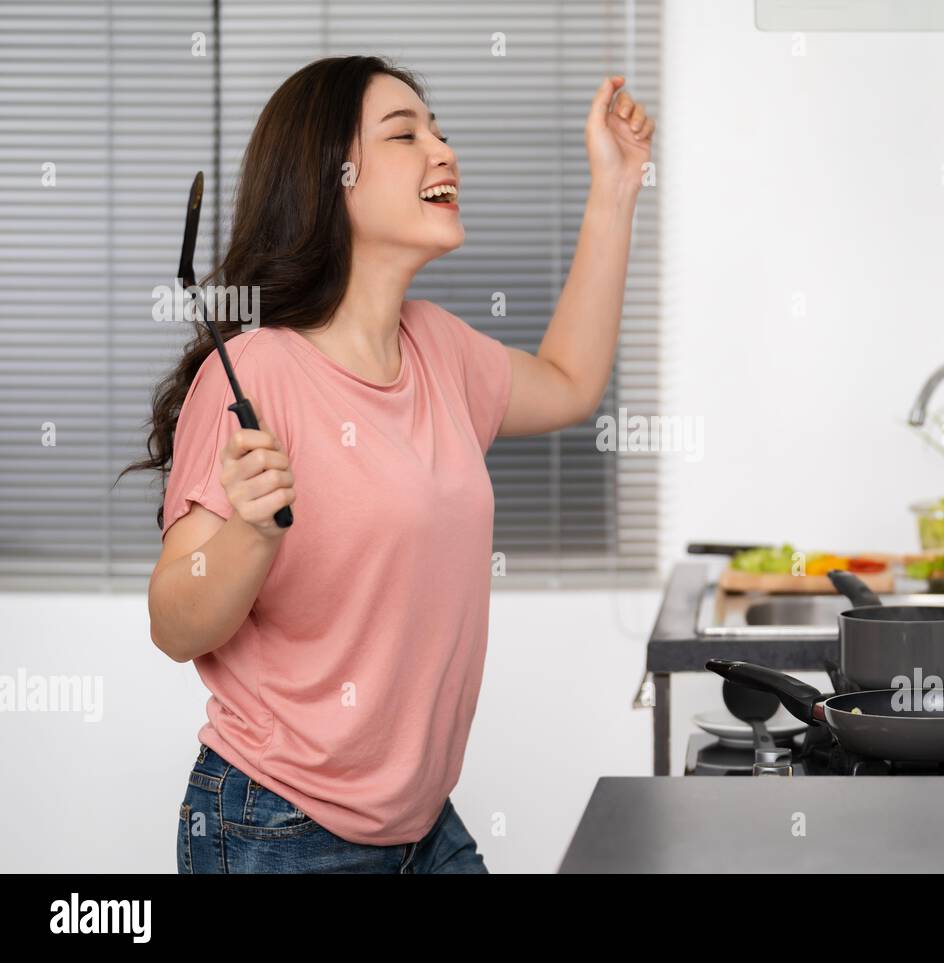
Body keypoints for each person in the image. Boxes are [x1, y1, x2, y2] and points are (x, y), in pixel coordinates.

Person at [122, 55, 654, 873]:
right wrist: (249, 538)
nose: (442, 150)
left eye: (439, 131)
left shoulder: (436, 345)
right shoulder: (257, 373)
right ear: (328, 179)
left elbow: (572, 381)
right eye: (405, 134)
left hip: (417, 823)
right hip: (280, 825)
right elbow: (172, 620)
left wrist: (615, 187)